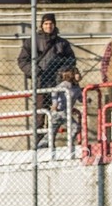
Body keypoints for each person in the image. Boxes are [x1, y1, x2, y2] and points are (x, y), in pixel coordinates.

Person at [17, 13, 77, 145]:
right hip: (40, 84)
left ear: (54, 25)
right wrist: (34, 71)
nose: (48, 26)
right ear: (41, 25)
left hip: (58, 85)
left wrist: (61, 72)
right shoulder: (32, 41)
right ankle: (39, 145)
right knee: (40, 116)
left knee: (56, 115)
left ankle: (51, 143)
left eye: (51, 23)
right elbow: (22, 60)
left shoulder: (62, 43)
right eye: (46, 24)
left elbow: (71, 60)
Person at [36, 67, 82, 149]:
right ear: (71, 75)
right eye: (76, 73)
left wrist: (87, 99)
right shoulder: (65, 84)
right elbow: (54, 91)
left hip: (66, 112)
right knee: (53, 132)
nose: (78, 75)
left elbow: (80, 98)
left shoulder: (77, 87)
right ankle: (41, 147)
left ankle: (69, 144)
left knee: (74, 128)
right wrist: (55, 103)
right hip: (59, 111)